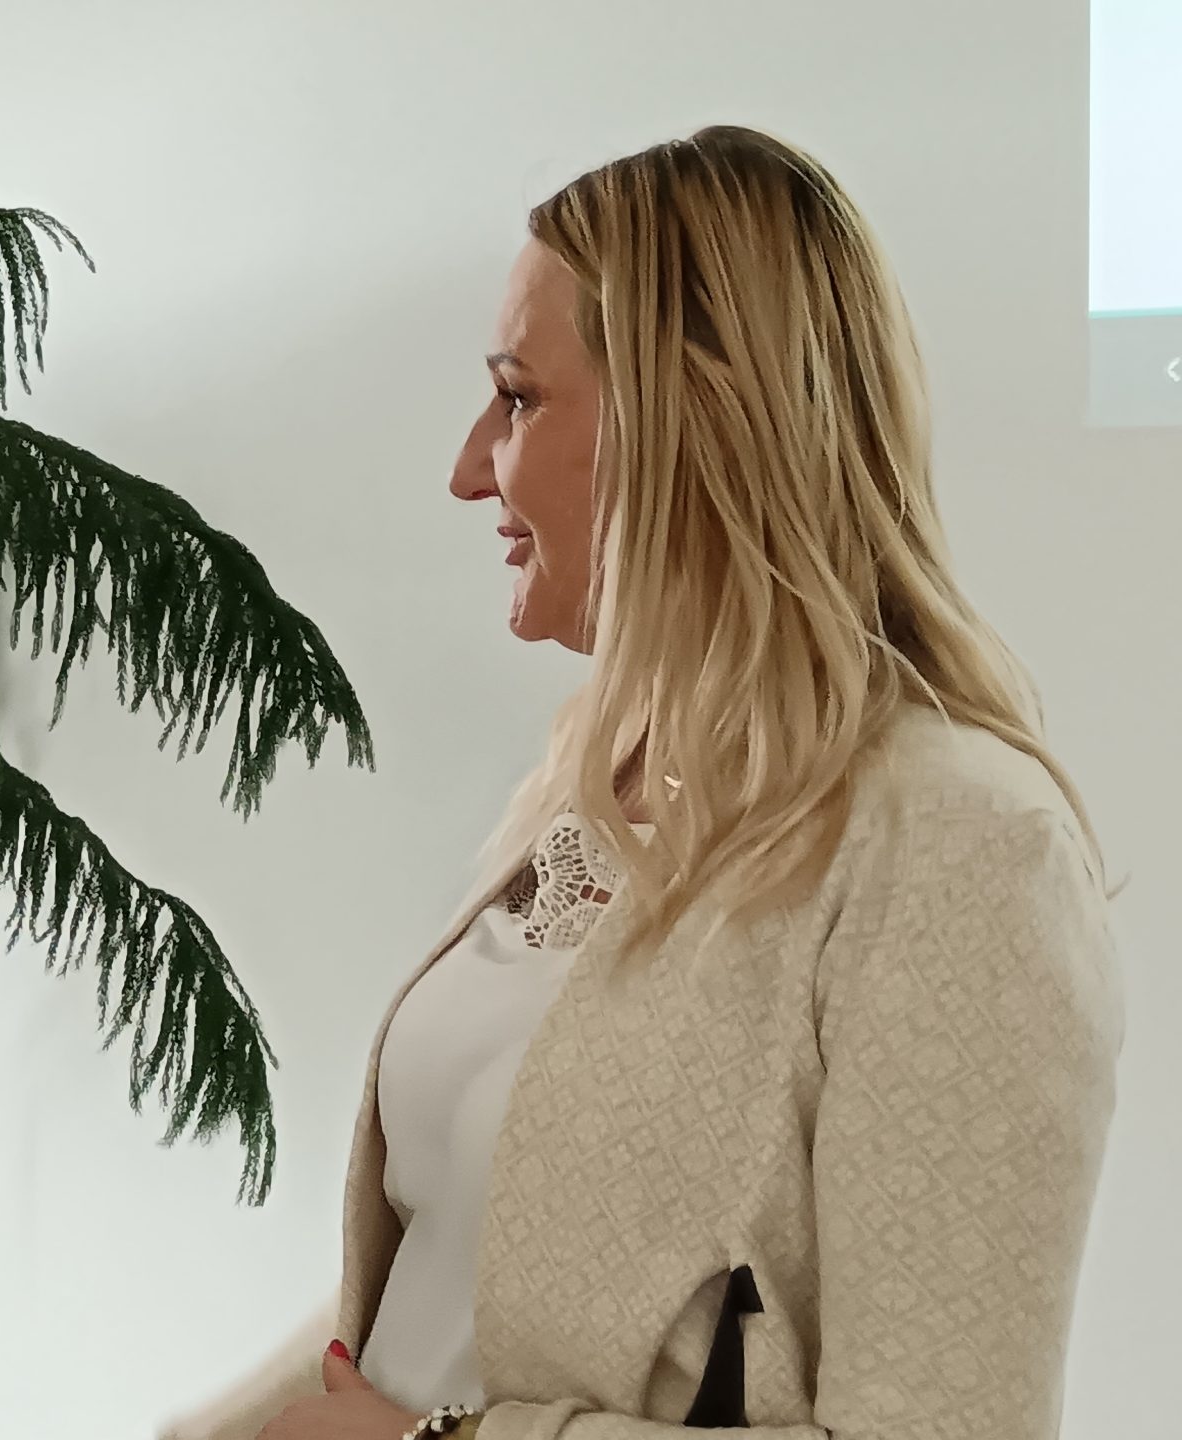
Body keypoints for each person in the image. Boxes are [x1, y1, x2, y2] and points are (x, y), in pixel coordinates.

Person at [163, 127, 1121, 1440]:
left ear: (689, 422)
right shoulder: (584, 784)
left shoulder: (964, 846)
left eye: (518, 400)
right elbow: (450, 1272)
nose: (467, 469)